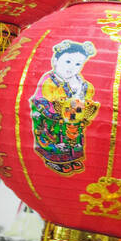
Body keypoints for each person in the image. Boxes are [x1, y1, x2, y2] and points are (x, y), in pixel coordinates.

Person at [29, 40, 99, 174]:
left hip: (72, 117)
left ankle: (72, 158)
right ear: (55, 61)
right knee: (56, 138)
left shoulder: (80, 82)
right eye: (68, 62)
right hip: (51, 116)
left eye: (78, 64)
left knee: (73, 138)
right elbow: (50, 99)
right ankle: (55, 160)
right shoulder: (50, 80)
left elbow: (87, 95)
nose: (72, 67)